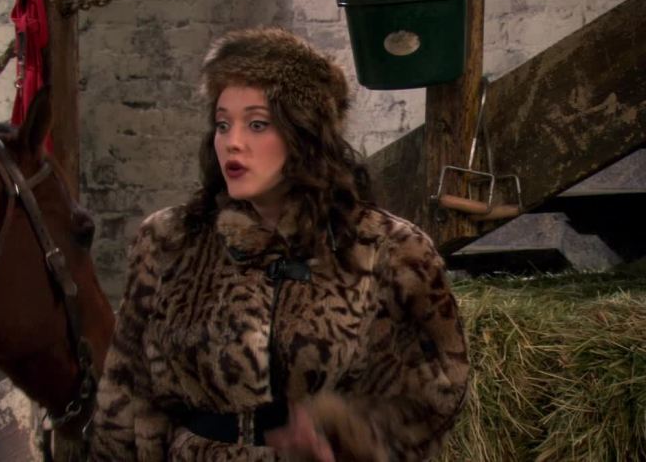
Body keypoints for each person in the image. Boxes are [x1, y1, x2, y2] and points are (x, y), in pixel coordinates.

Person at [90, 27, 469, 461]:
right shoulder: (169, 240)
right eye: (222, 124)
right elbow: (124, 391)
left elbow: (440, 390)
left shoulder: (389, 248)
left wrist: (348, 434)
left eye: (257, 124)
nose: (232, 142)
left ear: (304, 134)